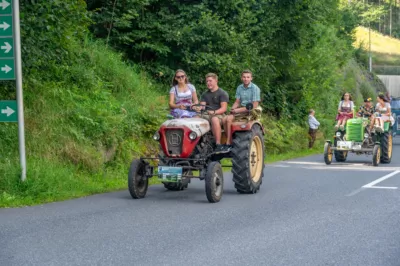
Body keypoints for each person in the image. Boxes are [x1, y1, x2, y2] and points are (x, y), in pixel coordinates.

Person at [222, 70, 261, 150]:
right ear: (241, 78)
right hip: (241, 109)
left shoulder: (255, 88)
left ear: (251, 78)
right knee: (224, 119)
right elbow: (237, 102)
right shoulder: (240, 87)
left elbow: (254, 105)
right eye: (244, 77)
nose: (246, 79)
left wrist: (237, 111)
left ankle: (229, 142)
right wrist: (233, 109)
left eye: (248, 77)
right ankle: (229, 139)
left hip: (251, 110)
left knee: (229, 119)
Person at [198, 73, 229, 153]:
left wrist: (214, 112)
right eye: (207, 81)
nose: (208, 83)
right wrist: (198, 108)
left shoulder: (222, 93)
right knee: (196, 118)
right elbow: (202, 107)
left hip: (219, 114)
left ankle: (218, 144)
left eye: (210, 81)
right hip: (206, 114)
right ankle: (196, 142)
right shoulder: (205, 94)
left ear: (216, 81)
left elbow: (224, 108)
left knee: (214, 119)